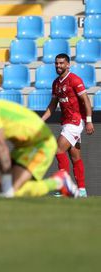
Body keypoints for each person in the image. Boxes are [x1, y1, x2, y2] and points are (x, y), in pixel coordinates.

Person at [41, 53, 94, 197]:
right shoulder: (56, 83)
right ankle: (82, 190)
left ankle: (64, 188)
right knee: (75, 157)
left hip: (76, 122)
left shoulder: (75, 80)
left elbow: (86, 101)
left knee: (58, 150)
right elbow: (52, 106)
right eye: (56, 63)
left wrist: (88, 120)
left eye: (61, 63)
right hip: (66, 123)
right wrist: (41, 120)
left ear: (68, 64)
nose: (58, 66)